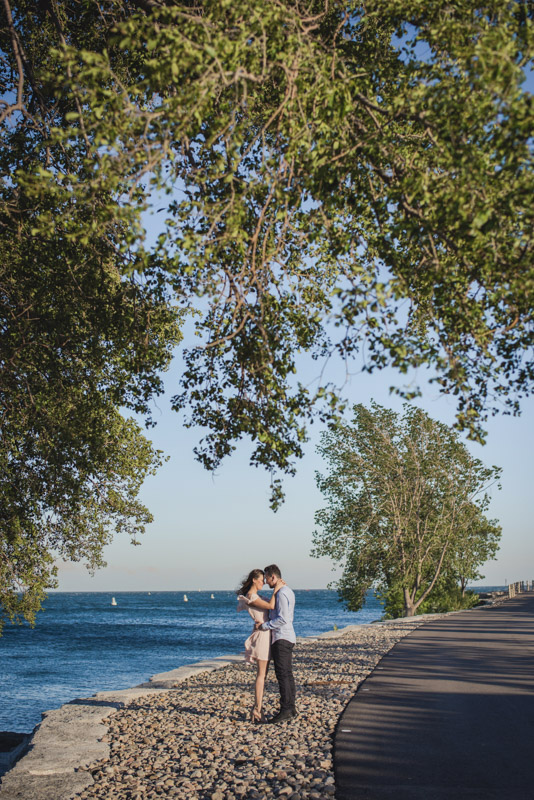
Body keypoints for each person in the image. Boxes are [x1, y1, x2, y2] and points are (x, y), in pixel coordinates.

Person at [236, 569, 284, 723]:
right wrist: (277, 589)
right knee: (261, 674)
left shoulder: (256, 596)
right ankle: (257, 709)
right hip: (262, 637)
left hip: (265, 633)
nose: (264, 582)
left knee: (263, 674)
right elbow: (271, 606)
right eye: (261, 579)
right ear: (254, 580)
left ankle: (257, 709)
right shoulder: (251, 596)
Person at [255, 564, 296, 724]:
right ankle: (290, 708)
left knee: (283, 674)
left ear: (273, 577)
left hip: (282, 637)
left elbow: (283, 618)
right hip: (286, 636)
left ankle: (286, 709)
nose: (265, 581)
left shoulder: (282, 594)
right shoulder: (283, 591)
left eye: (266, 578)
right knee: (287, 674)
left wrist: (264, 626)